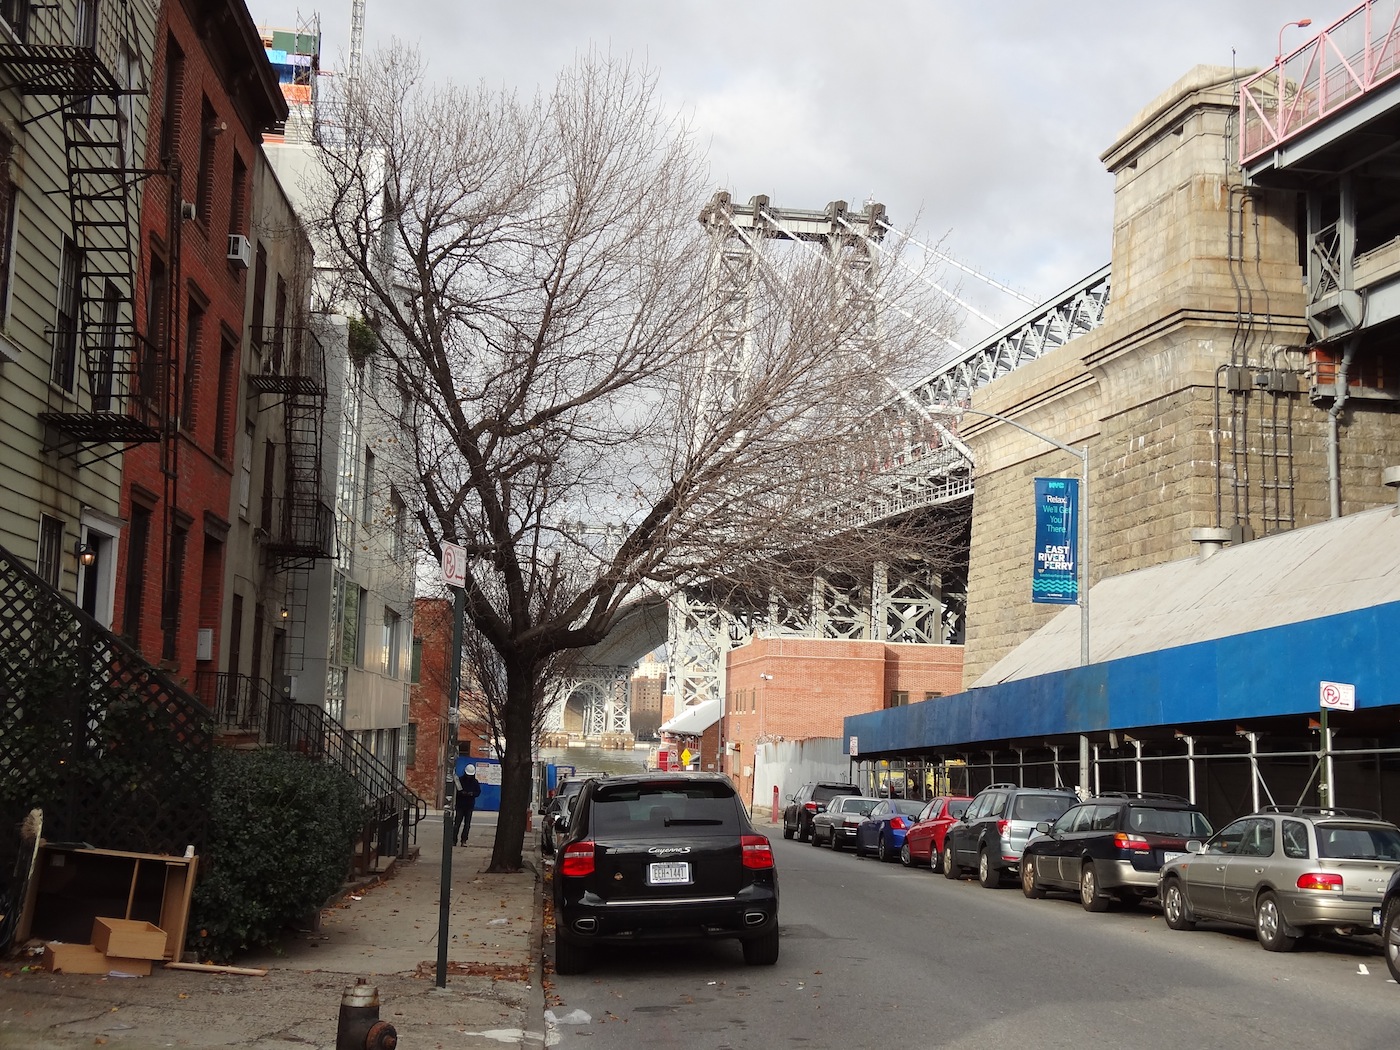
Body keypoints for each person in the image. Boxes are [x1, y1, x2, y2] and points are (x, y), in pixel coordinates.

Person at [454, 763, 482, 845]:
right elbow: (458, 790)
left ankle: (464, 840)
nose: (469, 777)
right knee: (457, 824)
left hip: (469, 806)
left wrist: (472, 794)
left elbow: (478, 792)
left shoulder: (475, 782)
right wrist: (462, 793)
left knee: (467, 825)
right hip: (460, 805)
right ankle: (453, 840)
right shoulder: (460, 780)